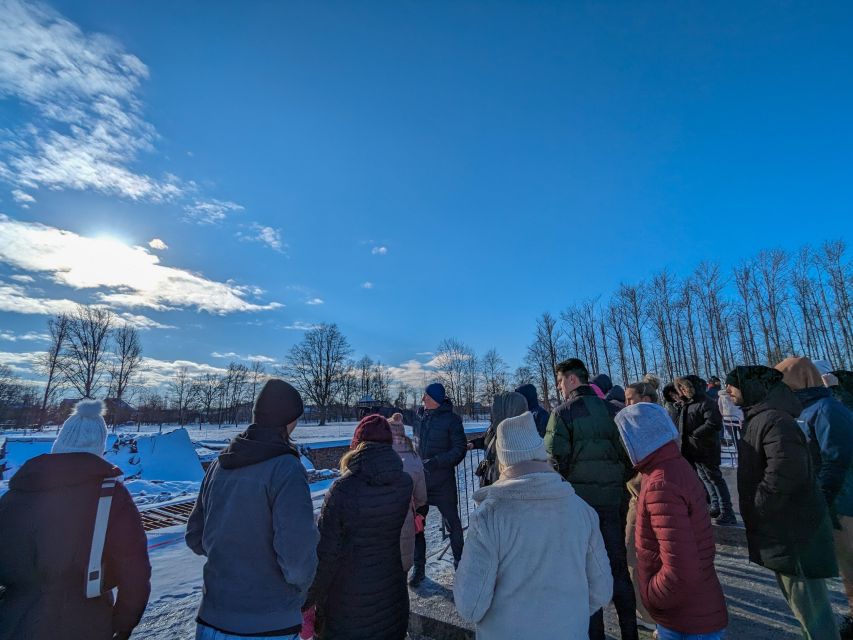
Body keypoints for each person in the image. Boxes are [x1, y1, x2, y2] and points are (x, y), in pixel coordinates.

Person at [454, 411, 613, 639]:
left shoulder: (489, 516)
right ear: (540, 453)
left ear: (503, 460)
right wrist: (563, 618)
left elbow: (470, 605)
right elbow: (602, 591)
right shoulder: (582, 510)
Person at [0, 400, 151, 640]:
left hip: (13, 618)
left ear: (59, 442)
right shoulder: (110, 496)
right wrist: (124, 623)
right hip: (85, 620)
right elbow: (134, 569)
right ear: (99, 446)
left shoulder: (16, 493)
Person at [186, 379, 319, 640]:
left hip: (212, 617)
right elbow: (297, 563)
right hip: (267, 623)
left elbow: (195, 536)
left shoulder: (220, 463)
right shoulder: (286, 469)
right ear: (290, 420)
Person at [725, 366, 839, 640]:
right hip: (782, 530)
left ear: (751, 387)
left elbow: (786, 472)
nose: (728, 392)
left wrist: (758, 504)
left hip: (793, 532)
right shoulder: (762, 417)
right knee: (801, 605)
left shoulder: (775, 420)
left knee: (811, 607)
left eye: (733, 385)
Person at [615, 403, 728, 640]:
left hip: (684, 614)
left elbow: (681, 566)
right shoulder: (673, 466)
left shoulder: (660, 484)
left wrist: (653, 596)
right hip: (695, 607)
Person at [545, 358, 638, 640]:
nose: (560, 388)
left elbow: (553, 458)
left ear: (573, 380)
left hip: (580, 505)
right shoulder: (615, 411)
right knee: (617, 564)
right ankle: (629, 631)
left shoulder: (562, 414)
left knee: (587, 571)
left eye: (560, 382)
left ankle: (595, 633)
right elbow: (629, 455)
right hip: (614, 500)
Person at [306, 414, 413, 640]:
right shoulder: (404, 483)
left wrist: (307, 600)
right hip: (392, 596)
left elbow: (326, 556)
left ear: (356, 445)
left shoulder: (343, 489)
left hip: (348, 607)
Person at [775, 357, 853, 636]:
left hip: (842, 502)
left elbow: (835, 460)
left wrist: (818, 499)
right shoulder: (803, 409)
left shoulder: (828, 409)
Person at [410, 382, 467, 585]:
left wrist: (436, 462)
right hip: (422, 482)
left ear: (435, 399)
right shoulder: (420, 416)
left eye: (426, 396)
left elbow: (460, 449)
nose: (423, 399)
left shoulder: (452, 420)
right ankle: (419, 568)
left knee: (453, 524)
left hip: (443, 482)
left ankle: (460, 564)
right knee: (418, 524)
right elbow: (398, 414)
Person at [623, 380, 661, 632]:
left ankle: (648, 613)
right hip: (645, 495)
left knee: (636, 555)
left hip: (645, 496)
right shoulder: (660, 422)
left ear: (644, 400)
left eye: (630, 399)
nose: (626, 405)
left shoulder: (647, 426)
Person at [675, 375, 736, 525]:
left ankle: (727, 510)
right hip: (693, 450)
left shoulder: (706, 402)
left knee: (715, 479)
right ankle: (715, 505)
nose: (682, 390)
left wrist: (695, 434)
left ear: (692, 388)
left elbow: (714, 423)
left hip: (706, 449)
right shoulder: (687, 404)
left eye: (684, 387)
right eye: (680, 388)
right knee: (705, 478)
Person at [388, 413, 428, 573]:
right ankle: (419, 569)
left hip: (386, 515)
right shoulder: (413, 455)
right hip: (409, 510)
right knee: (417, 537)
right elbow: (421, 492)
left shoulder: (382, 455)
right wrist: (418, 507)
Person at [470, 391, 529, 487]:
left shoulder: (514, 433)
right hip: (489, 475)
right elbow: (486, 440)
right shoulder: (494, 427)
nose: (492, 412)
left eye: (494, 410)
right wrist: (473, 444)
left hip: (501, 479)